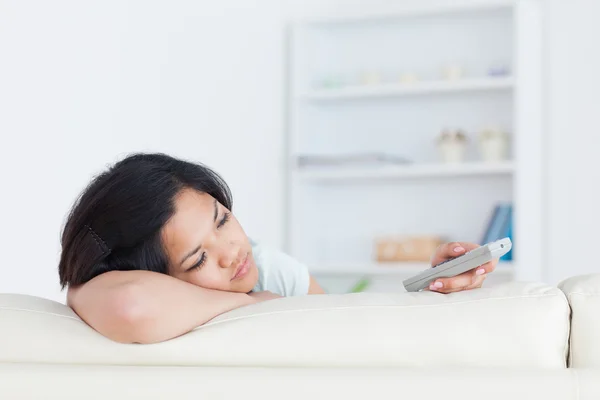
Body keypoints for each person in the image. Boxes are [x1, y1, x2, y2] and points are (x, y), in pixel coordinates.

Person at [58, 153, 497, 344]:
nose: (233, 250)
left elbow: (346, 335)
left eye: (223, 219)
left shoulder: (271, 269)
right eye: (199, 258)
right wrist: (255, 305)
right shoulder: (136, 294)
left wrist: (432, 297)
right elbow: (131, 305)